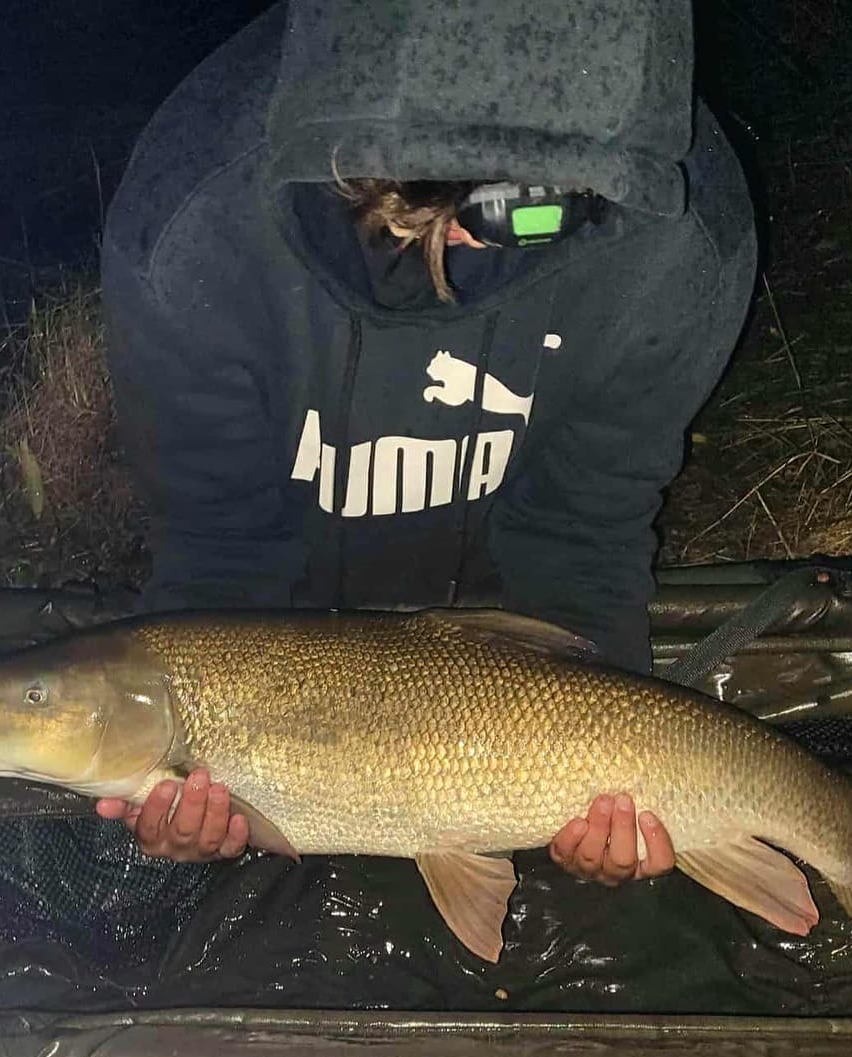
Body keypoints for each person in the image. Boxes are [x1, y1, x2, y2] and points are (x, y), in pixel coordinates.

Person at [95, 0, 757, 889]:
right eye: (393, 210)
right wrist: (198, 778)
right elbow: (221, 543)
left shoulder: (677, 239)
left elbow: (585, 534)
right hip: (279, 674)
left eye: (517, 213)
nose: (448, 255)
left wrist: (605, 781)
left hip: (510, 667)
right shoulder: (190, 229)